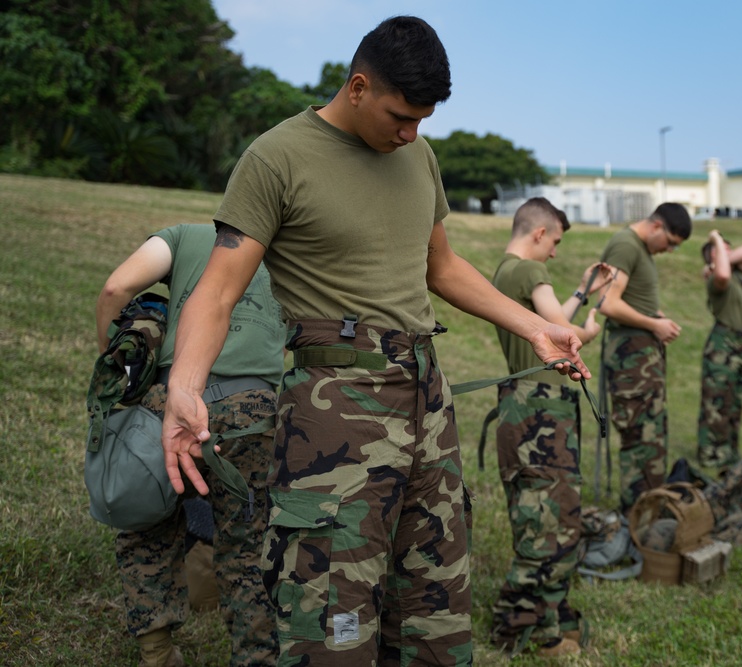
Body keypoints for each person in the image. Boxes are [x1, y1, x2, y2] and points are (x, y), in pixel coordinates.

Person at [159, 16, 589, 666]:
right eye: (400, 115)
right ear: (358, 87)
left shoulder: (417, 155)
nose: (411, 133)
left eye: (423, 119)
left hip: (427, 403)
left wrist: (536, 325)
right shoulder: (277, 157)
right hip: (334, 419)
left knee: (435, 615)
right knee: (331, 623)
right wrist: (185, 387)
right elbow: (217, 290)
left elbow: (439, 266)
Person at [96, 223, 284, 666]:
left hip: (169, 401)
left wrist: (108, 357)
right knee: (249, 547)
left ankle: (157, 654)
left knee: (147, 528)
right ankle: (256, 658)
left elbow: (116, 287)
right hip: (253, 410)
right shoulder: (289, 249)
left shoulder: (184, 236)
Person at [488, 198, 610, 657]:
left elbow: (549, 320)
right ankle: (517, 627)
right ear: (539, 233)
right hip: (541, 413)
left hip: (524, 411)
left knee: (548, 516)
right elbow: (562, 330)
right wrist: (593, 323)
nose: (556, 251)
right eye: (556, 240)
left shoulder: (506, 272)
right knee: (548, 524)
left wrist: (580, 292)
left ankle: (550, 618)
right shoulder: (530, 273)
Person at [597, 202, 691, 512]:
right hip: (630, 359)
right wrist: (654, 324)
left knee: (652, 440)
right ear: (656, 227)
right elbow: (608, 303)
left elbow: (632, 298)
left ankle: (648, 510)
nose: (669, 250)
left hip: (641, 359)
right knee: (640, 440)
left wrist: (657, 315)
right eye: (671, 243)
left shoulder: (641, 249)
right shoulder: (626, 245)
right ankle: (636, 515)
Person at [697, 230, 742, 471]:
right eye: (720, 250)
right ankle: (712, 456)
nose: (727, 252)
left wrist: (720, 252)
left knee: (734, 401)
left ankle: (729, 452)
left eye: (728, 248)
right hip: (725, 345)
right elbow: (721, 272)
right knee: (717, 403)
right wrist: (713, 240)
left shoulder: (739, 272)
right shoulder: (717, 279)